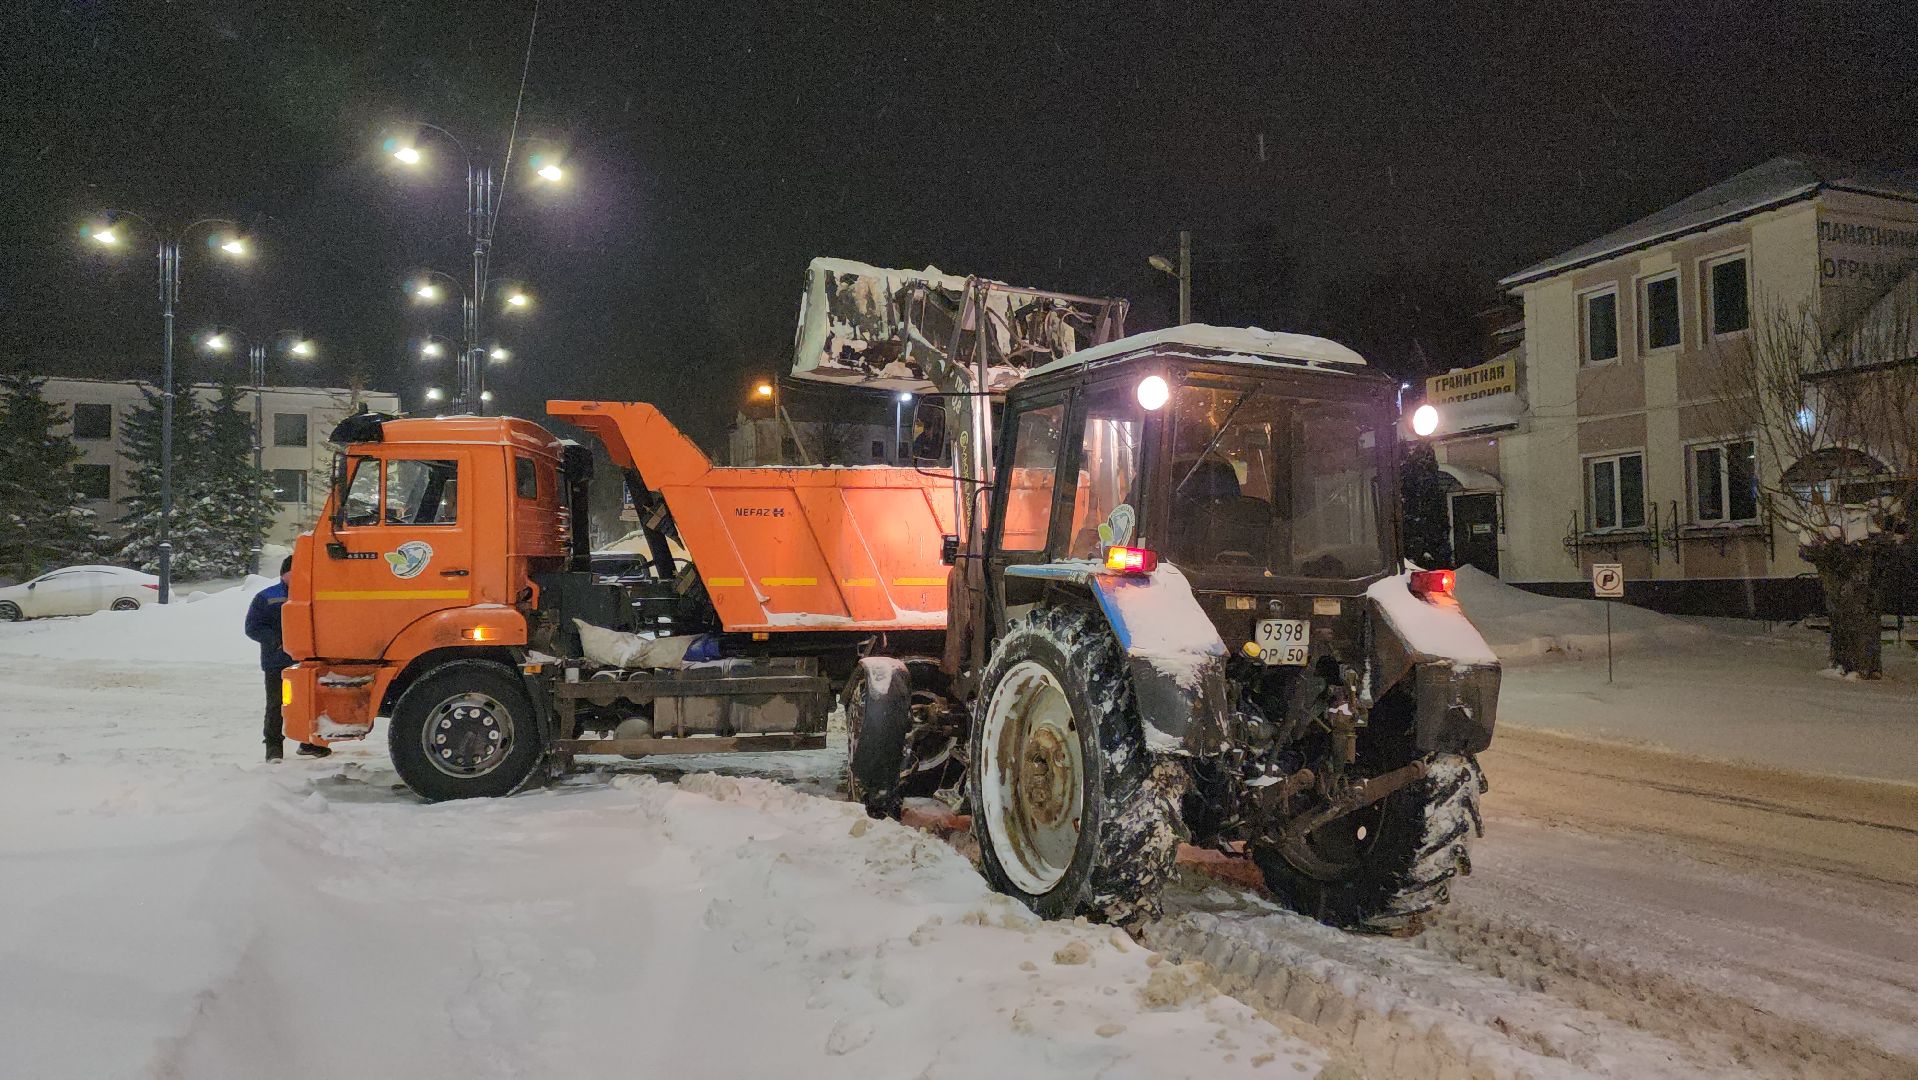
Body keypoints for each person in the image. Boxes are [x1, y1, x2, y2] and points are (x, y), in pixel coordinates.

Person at [245, 556, 329, 762]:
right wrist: (276, 641)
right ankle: (273, 749)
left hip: (307, 661)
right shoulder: (266, 597)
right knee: (276, 705)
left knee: (308, 704)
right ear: (284, 574)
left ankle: (309, 743)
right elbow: (253, 627)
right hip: (277, 662)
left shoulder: (313, 594)